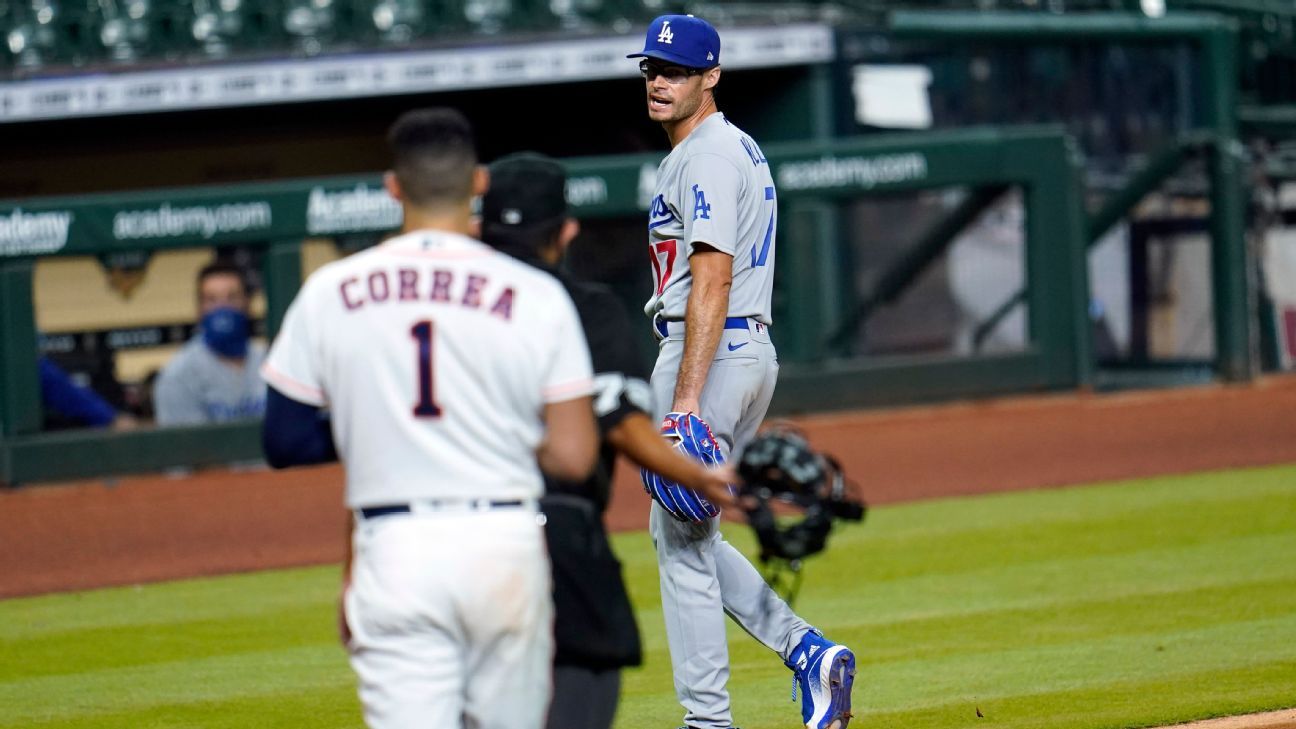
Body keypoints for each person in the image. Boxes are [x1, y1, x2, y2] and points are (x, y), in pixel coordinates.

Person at [259, 108, 599, 729]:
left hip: (395, 549)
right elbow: (575, 456)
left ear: (393, 187)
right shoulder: (534, 292)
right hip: (505, 542)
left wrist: (384, 427)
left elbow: (282, 440)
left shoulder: (331, 290)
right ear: (478, 183)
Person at [628, 15, 858, 729]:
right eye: (652, 69)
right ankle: (808, 652)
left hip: (713, 350)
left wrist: (688, 402)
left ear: (711, 76)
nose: (660, 81)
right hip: (739, 348)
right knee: (685, 532)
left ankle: (709, 721)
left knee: (682, 547)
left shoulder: (709, 155)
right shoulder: (729, 149)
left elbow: (712, 277)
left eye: (676, 70)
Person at [477, 152, 740, 729]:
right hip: (551, 540)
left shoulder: (439, 307)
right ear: (567, 230)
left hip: (441, 540)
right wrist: (702, 477)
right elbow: (620, 425)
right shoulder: (581, 307)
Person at [154, 261, 266, 425]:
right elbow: (184, 447)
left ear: (248, 304)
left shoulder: (270, 360)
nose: (222, 307)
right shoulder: (178, 375)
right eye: (211, 300)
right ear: (199, 310)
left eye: (232, 297)